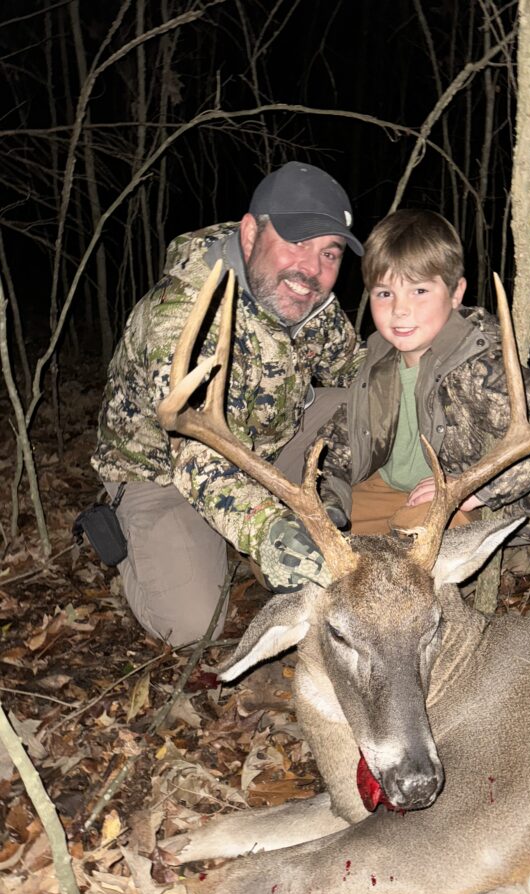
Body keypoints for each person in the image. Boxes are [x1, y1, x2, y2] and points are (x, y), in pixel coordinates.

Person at [91, 161, 364, 645]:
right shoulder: (178, 317)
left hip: (265, 444)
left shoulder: (309, 297)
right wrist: (269, 532)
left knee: (360, 404)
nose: (313, 269)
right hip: (166, 473)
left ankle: (318, 509)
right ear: (250, 232)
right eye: (296, 242)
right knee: (192, 626)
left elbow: (359, 374)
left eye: (331, 253)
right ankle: (135, 540)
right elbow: (195, 452)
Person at [316, 208, 530, 545]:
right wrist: (328, 509)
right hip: (390, 492)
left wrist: (472, 487)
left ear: (455, 293)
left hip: (456, 505)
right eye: (385, 293)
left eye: (419, 291)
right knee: (301, 540)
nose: (400, 309)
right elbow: (335, 448)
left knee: (416, 537)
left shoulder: (476, 362)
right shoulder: (376, 363)